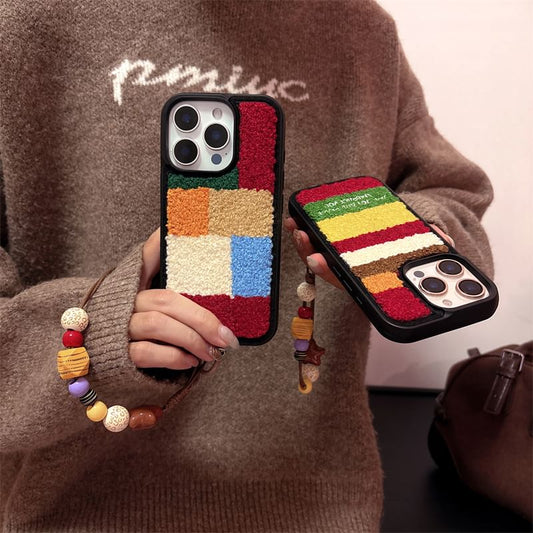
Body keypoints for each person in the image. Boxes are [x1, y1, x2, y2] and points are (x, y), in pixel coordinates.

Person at [0, 1, 494, 531]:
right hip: (72, 506)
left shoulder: (361, 30)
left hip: (320, 504)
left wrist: (400, 237)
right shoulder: (27, 21)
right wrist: (85, 336)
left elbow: (453, 192)